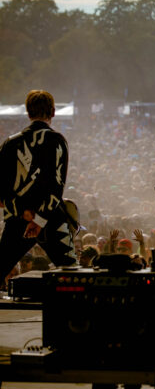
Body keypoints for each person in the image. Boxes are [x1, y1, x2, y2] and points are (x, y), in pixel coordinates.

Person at [0, 90, 76, 281]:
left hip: (17, 220)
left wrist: (24, 213)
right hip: (51, 219)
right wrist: (39, 219)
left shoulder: (10, 144)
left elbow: (1, 191)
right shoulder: (56, 141)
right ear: (53, 112)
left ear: (27, 112)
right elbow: (57, 187)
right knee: (72, 273)